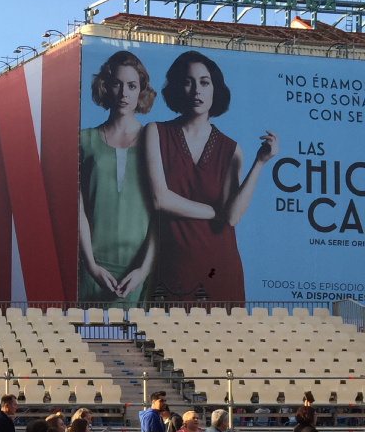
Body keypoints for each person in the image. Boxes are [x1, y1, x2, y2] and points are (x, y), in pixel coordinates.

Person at [142, 49, 278, 302]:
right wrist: (214, 212)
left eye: (204, 82)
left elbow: (233, 217)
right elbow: (160, 199)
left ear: (215, 89)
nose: (197, 90)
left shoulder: (231, 148)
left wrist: (260, 162)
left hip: (220, 266)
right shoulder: (155, 132)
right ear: (177, 88)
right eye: (188, 82)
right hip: (174, 264)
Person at [79, 50, 158, 305]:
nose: (124, 93)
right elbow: (77, 209)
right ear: (105, 87)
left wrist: (144, 270)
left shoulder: (155, 142)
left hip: (139, 271)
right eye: (117, 84)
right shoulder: (84, 140)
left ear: (141, 91)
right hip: (91, 268)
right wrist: (91, 266)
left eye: (132, 86)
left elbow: (160, 214)